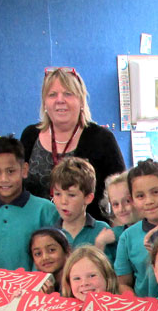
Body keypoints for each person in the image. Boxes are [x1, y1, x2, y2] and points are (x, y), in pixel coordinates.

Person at [20, 67, 125, 221]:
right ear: (44, 103)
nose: (60, 100)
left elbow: (121, 190)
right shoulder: (30, 136)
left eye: (68, 94)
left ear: (81, 101)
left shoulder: (101, 139)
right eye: (52, 95)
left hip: (89, 233)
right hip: (37, 232)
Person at [0, 135, 56, 270]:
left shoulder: (45, 210)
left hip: (35, 289)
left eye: (11, 171)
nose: (4, 179)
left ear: (24, 170)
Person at [114, 159, 158, 297]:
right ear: (131, 200)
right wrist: (135, 305)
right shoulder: (128, 237)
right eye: (140, 196)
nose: (149, 201)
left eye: (156, 192)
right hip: (145, 310)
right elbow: (123, 283)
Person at [49, 157, 114, 260]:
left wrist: (99, 246)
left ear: (88, 198)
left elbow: (110, 272)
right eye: (57, 194)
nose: (63, 201)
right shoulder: (49, 235)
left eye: (71, 195)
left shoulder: (102, 231)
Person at [29, 227, 71, 293]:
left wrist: (50, 298)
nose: (45, 257)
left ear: (67, 251)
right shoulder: (33, 289)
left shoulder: (78, 283)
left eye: (51, 250)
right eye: (38, 253)